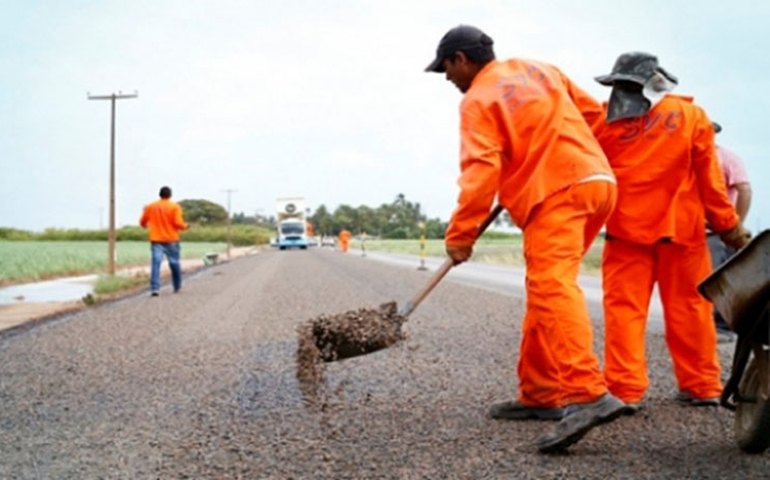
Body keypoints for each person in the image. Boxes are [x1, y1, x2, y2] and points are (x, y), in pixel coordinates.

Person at [425, 25, 627, 453]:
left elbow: (480, 174)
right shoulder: (540, 69)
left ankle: (587, 393)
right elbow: (595, 117)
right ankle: (540, 392)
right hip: (597, 183)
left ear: (461, 58)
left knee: (552, 285)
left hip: (558, 192)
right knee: (544, 289)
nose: (447, 79)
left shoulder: (477, 100)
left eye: (445, 69)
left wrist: (460, 235)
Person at [589, 53, 751, 411]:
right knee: (690, 310)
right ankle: (702, 385)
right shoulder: (692, 117)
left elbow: (587, 175)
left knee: (625, 313)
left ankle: (624, 392)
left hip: (625, 234)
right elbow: (711, 184)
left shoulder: (601, 122)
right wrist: (730, 229)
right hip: (682, 233)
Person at [707, 122, 752, 343]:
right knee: (700, 280)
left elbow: (744, 189)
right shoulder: (690, 156)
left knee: (719, 277)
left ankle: (723, 327)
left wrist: (736, 225)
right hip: (696, 228)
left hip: (720, 230)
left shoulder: (727, 158)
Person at [139, 186, 188, 296]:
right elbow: (178, 223)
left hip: (156, 240)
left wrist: (147, 224)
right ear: (170, 195)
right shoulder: (175, 207)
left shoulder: (151, 206)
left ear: (159, 194)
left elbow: (142, 222)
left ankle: (155, 288)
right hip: (172, 239)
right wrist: (186, 226)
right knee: (174, 263)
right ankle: (177, 286)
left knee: (156, 264)